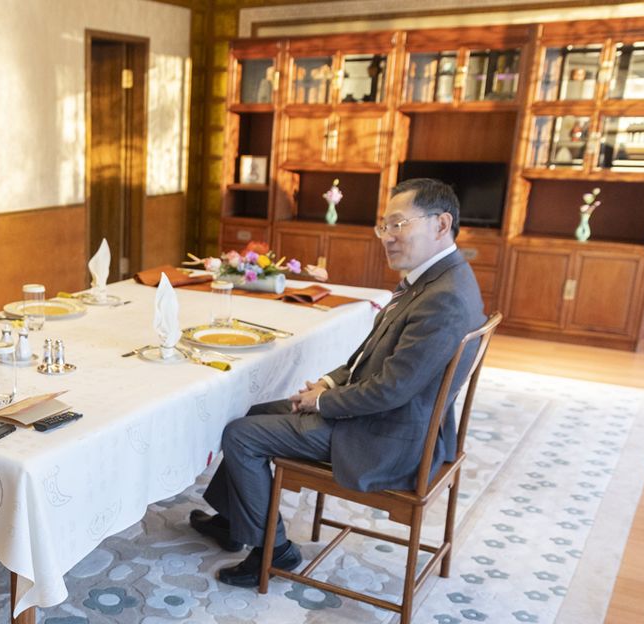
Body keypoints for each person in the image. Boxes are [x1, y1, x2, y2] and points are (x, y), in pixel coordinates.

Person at [190, 178, 486, 587]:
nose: (388, 237)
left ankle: (275, 550)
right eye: (384, 226)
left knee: (242, 436)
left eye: (399, 225)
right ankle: (235, 521)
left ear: (441, 224)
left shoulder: (443, 297)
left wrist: (322, 403)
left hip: (389, 438)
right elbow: (371, 356)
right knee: (255, 412)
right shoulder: (437, 278)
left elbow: (391, 390)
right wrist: (329, 384)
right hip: (391, 418)